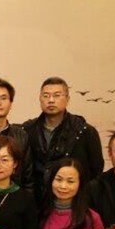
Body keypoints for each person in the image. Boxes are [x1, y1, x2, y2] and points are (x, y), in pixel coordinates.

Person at [23, 77, 104, 205]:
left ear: (67, 99)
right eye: (46, 96)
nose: (51, 100)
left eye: (57, 95)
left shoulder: (84, 131)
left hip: (74, 204)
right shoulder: (27, 130)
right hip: (35, 203)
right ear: (40, 99)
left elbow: (96, 170)